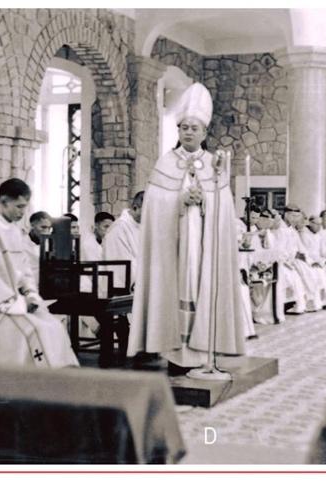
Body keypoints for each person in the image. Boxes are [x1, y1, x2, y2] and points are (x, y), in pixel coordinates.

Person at [129, 82, 246, 369]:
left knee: (200, 284)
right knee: (177, 285)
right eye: (184, 128)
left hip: (203, 243)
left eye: (194, 128)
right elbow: (154, 206)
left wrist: (205, 201)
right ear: (178, 131)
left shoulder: (214, 165)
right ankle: (175, 352)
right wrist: (180, 201)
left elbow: (224, 208)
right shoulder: (165, 163)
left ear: (204, 132)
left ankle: (203, 348)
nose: (189, 132)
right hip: (174, 245)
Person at [0, 178, 78, 368]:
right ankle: (27, 382)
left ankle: (57, 380)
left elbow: (24, 270)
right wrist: (17, 303)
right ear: (4, 201)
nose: (22, 212)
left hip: (14, 302)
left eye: (25, 207)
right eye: (19, 206)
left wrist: (31, 294)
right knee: (35, 332)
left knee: (55, 328)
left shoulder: (14, 232)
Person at [282, 205, 326, 311]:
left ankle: (311, 303)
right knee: (302, 274)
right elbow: (279, 250)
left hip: (296, 260)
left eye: (297, 217)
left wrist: (308, 259)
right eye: (293, 216)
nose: (295, 219)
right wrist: (294, 255)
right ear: (286, 215)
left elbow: (302, 249)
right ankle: (294, 304)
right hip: (285, 261)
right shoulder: (281, 229)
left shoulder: (292, 230)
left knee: (311, 271)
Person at [103, 192, 143, 289]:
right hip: (124, 290)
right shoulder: (118, 228)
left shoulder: (143, 226)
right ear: (135, 207)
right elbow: (122, 267)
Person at [25, 211, 52, 287]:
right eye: (43, 227)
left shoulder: (50, 243)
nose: (47, 231)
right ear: (32, 225)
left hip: (45, 285)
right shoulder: (21, 242)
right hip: (28, 285)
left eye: (49, 228)